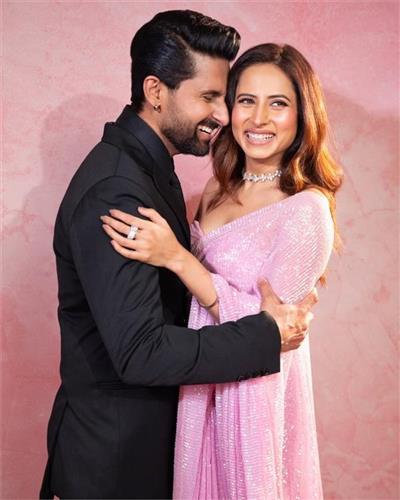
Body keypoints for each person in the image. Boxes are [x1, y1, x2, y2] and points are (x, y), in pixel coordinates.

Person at [40, 12, 317, 500]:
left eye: (223, 97)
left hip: (162, 445)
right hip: (116, 462)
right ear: (155, 91)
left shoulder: (153, 169)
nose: (222, 115)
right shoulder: (118, 191)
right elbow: (141, 352)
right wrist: (266, 335)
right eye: (209, 97)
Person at [102, 43, 343, 499]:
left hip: (252, 404)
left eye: (278, 104)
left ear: (302, 115)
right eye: (246, 100)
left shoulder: (306, 211)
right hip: (199, 388)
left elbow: (266, 333)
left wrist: (176, 257)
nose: (259, 119)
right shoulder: (215, 189)